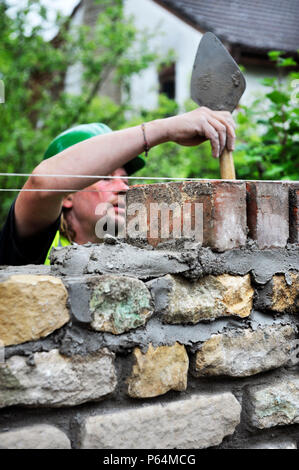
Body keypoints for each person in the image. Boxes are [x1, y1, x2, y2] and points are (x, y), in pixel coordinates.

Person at [0, 107, 236, 266]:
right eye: (106, 177)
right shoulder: (32, 243)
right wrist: (164, 129)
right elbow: (43, 182)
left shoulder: (135, 256)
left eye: (125, 179)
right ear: (67, 195)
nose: (123, 188)